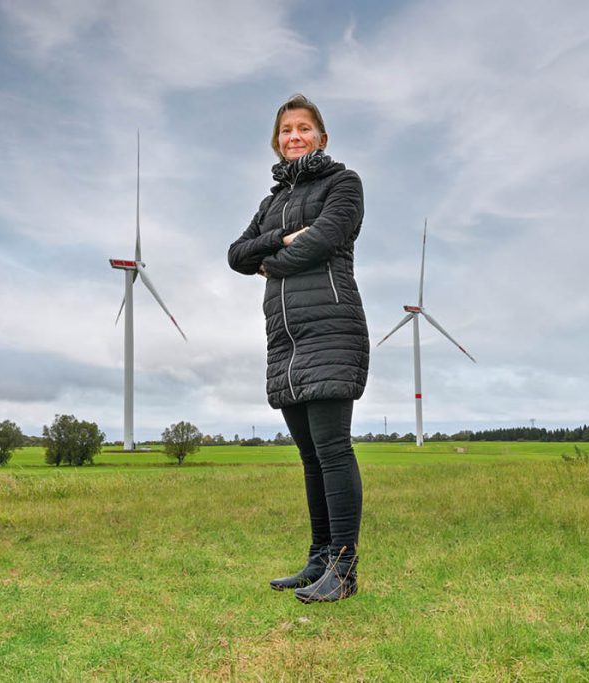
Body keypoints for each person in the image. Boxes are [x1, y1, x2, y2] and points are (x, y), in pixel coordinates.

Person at [227, 94, 369, 603]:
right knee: (310, 457)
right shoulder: (271, 204)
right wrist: (281, 240)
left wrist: (271, 262)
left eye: (304, 128)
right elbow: (236, 254)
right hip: (285, 339)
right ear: (277, 141)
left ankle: (344, 569)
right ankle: (318, 559)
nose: (295, 137)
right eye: (286, 130)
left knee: (333, 450)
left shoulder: (343, 184)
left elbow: (326, 238)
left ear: (321, 137)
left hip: (330, 328)